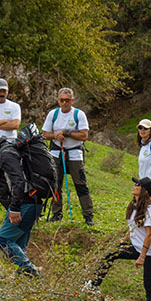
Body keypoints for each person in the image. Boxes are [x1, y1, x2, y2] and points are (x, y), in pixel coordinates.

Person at [87, 177, 151, 301]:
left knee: (149, 284)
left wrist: (142, 256)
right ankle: (93, 286)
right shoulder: (134, 205)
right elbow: (133, 227)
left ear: (145, 191)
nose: (134, 186)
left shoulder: (149, 209)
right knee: (111, 254)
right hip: (136, 246)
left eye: (138, 185)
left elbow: (149, 234)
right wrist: (124, 240)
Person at [0, 122, 41, 277]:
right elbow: (14, 180)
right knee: (19, 246)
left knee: (3, 240)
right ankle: (26, 282)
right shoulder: (7, 149)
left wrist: (14, 208)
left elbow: (19, 182)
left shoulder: (6, 153)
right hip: (32, 202)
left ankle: (33, 274)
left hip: (25, 204)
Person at [42, 87, 94, 225]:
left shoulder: (79, 114)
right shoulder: (53, 114)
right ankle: (56, 213)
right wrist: (55, 135)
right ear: (58, 101)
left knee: (80, 183)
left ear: (72, 101)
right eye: (62, 100)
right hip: (56, 152)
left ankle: (88, 214)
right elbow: (45, 134)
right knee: (55, 183)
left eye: (67, 100)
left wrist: (67, 133)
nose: (64, 103)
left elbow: (84, 135)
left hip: (74, 152)